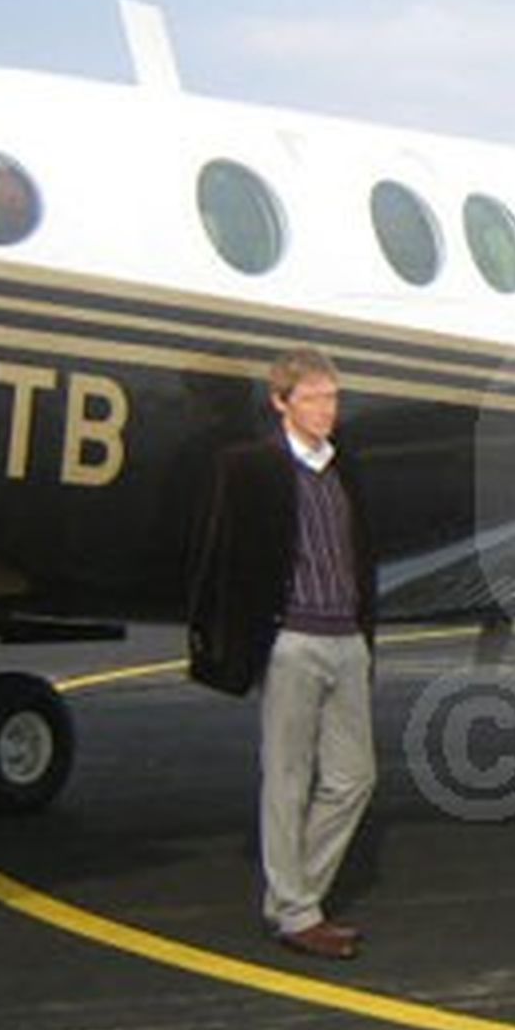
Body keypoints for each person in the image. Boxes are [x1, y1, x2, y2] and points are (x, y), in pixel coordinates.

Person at [188, 348, 378, 961]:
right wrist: (224, 640)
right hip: (293, 639)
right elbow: (220, 557)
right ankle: (298, 912)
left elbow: (360, 554)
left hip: (347, 639)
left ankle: (294, 896)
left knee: (354, 779)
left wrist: (364, 634)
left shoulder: (347, 468)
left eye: (332, 398)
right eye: (314, 399)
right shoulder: (250, 469)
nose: (327, 410)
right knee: (287, 778)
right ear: (280, 403)